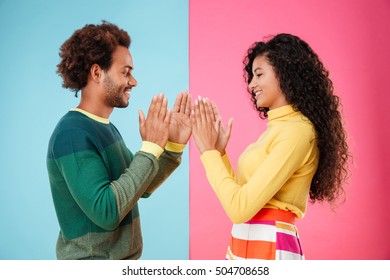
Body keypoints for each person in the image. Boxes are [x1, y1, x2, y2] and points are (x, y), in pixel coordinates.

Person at [191, 33, 351, 260]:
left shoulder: (298, 131)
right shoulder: (278, 129)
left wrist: (209, 153)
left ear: (285, 73)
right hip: (245, 238)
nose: (251, 84)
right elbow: (239, 197)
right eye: (251, 76)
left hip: (269, 243)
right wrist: (218, 153)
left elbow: (239, 208)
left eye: (259, 75)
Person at [47, 21, 191, 260]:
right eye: (125, 72)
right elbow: (107, 211)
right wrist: (150, 148)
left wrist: (171, 148)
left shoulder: (104, 128)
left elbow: (137, 188)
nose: (133, 81)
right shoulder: (71, 134)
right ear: (96, 72)